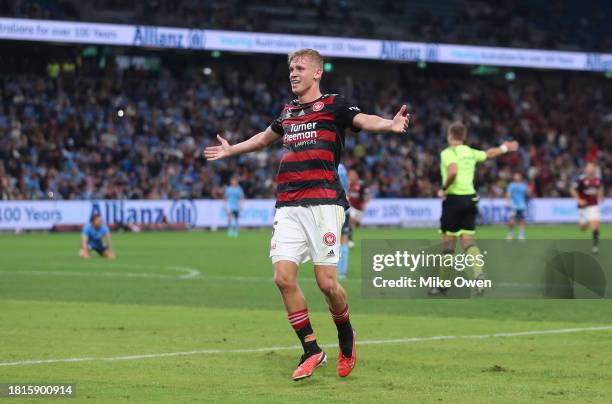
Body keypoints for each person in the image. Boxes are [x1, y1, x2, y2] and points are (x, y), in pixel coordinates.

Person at [204, 48, 410, 380]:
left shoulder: (334, 104)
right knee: (283, 277)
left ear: (317, 72)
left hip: (324, 203)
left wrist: (389, 124)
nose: (293, 73)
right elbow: (263, 139)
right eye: (291, 69)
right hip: (287, 205)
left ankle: (346, 335)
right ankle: (312, 349)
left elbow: (363, 120)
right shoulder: (287, 112)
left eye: (300, 68)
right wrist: (233, 149)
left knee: (327, 283)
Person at [429, 122, 518, 296]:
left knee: (448, 244)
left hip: (454, 199)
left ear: (450, 135)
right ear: (464, 137)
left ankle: (442, 284)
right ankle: (478, 273)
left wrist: (443, 188)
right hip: (471, 199)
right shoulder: (470, 152)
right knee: (468, 241)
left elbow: (453, 171)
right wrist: (505, 148)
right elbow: (489, 154)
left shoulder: (448, 152)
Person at [570, 162, 604, 254]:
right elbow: (572, 190)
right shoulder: (581, 179)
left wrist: (601, 197)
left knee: (595, 225)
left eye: (592, 167)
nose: (591, 169)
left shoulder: (598, 180)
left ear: (594, 169)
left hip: (594, 205)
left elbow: (600, 190)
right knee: (583, 228)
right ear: (586, 169)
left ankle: (595, 247)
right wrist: (579, 200)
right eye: (589, 167)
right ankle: (586, 222)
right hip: (583, 207)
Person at [347, 169, 370, 248]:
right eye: (349, 174)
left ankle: (353, 228)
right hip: (351, 207)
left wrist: (365, 203)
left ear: (356, 176)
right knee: (350, 221)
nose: (350, 176)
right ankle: (350, 240)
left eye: (352, 174)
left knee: (355, 224)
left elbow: (367, 195)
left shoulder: (361, 185)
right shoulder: (347, 184)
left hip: (359, 208)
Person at [505, 172, 530, 241]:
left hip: (522, 206)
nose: (515, 177)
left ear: (520, 177)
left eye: (517, 176)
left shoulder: (524, 185)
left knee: (522, 220)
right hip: (514, 205)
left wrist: (529, 191)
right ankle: (510, 233)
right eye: (515, 176)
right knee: (511, 220)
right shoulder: (511, 185)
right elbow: (508, 194)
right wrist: (507, 201)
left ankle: (521, 235)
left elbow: (528, 193)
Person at [336, 163, 351, 279]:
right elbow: (347, 186)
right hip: (345, 206)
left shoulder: (330, 164)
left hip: (333, 207)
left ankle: (335, 270)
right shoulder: (342, 168)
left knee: (331, 240)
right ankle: (342, 272)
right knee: (343, 239)